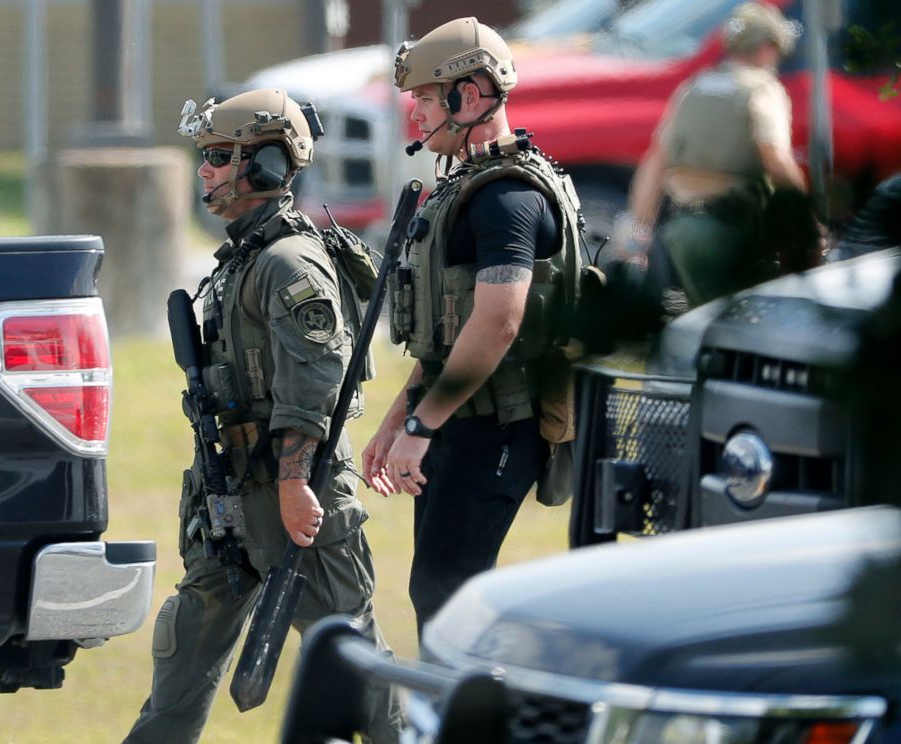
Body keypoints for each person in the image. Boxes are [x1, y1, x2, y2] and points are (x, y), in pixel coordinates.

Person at [123, 88, 400, 744]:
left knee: (351, 657)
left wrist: (293, 482)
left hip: (289, 495)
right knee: (184, 647)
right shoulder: (240, 260)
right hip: (231, 498)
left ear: (267, 167)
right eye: (205, 157)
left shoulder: (288, 262)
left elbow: (314, 378)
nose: (204, 171)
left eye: (219, 156)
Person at [363, 17, 582, 637]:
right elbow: (448, 332)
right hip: (461, 419)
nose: (416, 115)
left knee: (449, 599)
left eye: (427, 99)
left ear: (472, 95)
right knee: (438, 593)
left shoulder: (506, 197)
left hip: (496, 426)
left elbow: (497, 321)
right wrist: (397, 422)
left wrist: (419, 426)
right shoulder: (470, 184)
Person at [626, 1, 808, 307]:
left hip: (682, 230)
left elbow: (657, 160)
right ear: (766, 47)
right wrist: (806, 218)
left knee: (704, 318)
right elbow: (776, 160)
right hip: (735, 229)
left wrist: (638, 230)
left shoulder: (694, 88)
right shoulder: (762, 90)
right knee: (745, 321)